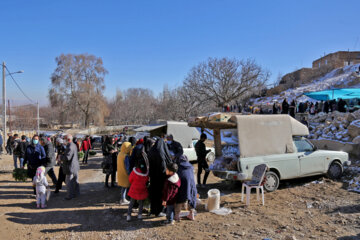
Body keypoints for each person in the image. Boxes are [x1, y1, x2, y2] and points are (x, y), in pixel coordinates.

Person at [148, 137, 173, 216]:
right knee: (160, 194)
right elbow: (164, 166)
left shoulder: (151, 150)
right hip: (160, 178)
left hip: (153, 177)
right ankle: (159, 211)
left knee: (153, 194)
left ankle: (153, 210)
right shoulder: (162, 153)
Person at [175, 155, 197, 221]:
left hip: (181, 184)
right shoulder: (191, 166)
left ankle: (177, 216)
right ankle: (191, 215)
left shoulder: (178, 167)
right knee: (192, 197)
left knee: (179, 197)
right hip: (191, 184)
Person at [61, 134, 80, 200]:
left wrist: (60, 157)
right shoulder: (73, 145)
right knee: (75, 181)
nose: (64, 140)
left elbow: (67, 157)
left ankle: (70, 196)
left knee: (69, 182)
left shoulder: (70, 146)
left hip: (71, 167)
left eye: (64, 139)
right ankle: (76, 194)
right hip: (74, 166)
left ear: (68, 139)